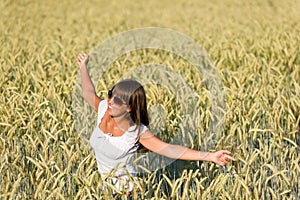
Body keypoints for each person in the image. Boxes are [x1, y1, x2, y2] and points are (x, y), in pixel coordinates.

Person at [76, 53, 235, 196]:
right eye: (110, 94)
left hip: (128, 193)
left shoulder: (136, 132)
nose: (110, 101)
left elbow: (170, 149)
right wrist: (83, 66)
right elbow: (88, 92)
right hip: (105, 192)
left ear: (129, 107)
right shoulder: (104, 109)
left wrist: (211, 156)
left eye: (117, 100)